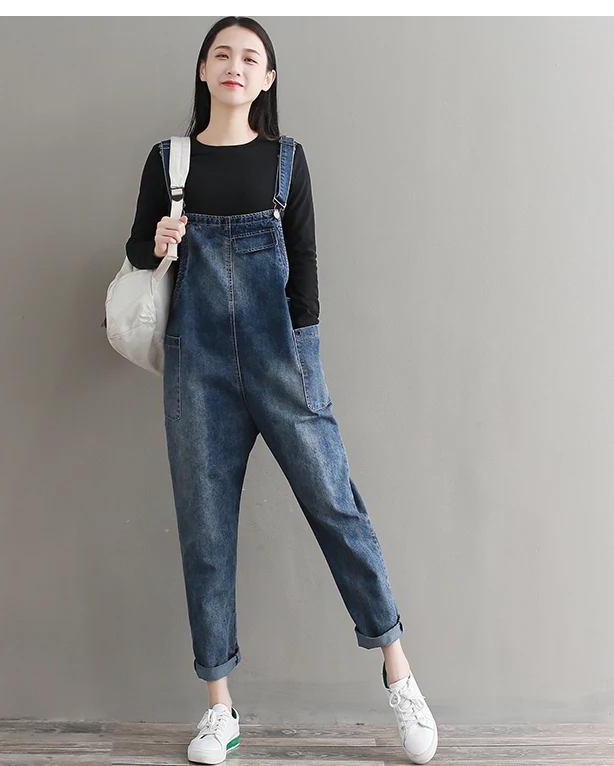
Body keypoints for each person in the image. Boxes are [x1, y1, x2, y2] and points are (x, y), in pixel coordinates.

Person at [125, 16, 438, 766]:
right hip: (197, 368)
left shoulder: (286, 162)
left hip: (283, 360)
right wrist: (155, 241)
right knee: (205, 532)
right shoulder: (168, 161)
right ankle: (220, 709)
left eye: (250, 57)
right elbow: (137, 248)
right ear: (203, 70)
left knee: (336, 505)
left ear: (267, 79)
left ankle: (399, 671)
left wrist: (304, 368)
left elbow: (307, 271)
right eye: (222, 54)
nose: (234, 66)